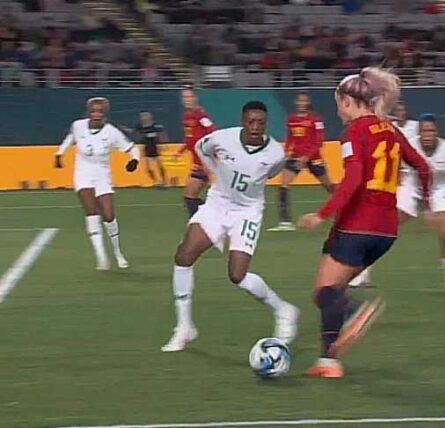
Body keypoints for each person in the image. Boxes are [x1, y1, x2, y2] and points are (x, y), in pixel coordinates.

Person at [298, 68, 431, 378]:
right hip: (386, 231)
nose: (338, 112)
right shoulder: (392, 130)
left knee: (324, 293)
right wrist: (424, 202)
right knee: (333, 293)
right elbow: (423, 167)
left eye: (338, 105)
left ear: (348, 102)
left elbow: (354, 178)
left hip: (357, 225)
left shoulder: (353, 133)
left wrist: (322, 213)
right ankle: (328, 363)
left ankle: (355, 311)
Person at [161, 101, 299, 353]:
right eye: (251, 122)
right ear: (243, 121)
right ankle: (184, 326)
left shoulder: (275, 153)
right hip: (217, 203)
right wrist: (214, 171)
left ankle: (283, 310)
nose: (255, 127)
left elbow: (271, 173)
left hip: (247, 212)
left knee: (237, 275)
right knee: (183, 256)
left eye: (260, 123)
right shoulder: (222, 138)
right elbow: (201, 148)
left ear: (266, 124)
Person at [352, 113, 445, 290]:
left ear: (437, 131)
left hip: (438, 190)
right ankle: (363, 272)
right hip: (411, 187)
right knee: (385, 228)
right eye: (424, 131)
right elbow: (393, 162)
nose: (428, 135)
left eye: (431, 131)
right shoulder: (409, 145)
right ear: (419, 132)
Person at [55, 97, 140, 270]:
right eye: (93, 111)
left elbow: (133, 148)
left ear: (105, 113)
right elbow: (70, 138)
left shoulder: (112, 133)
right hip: (83, 174)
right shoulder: (78, 125)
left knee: (108, 215)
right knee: (91, 212)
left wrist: (134, 160)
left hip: (102, 175)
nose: (96, 114)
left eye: (100, 111)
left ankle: (117, 252)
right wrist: (59, 153)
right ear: (88, 112)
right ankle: (101, 257)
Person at [349, 102, 418, 287]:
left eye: (402, 110)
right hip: (404, 186)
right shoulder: (389, 129)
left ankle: (362, 270)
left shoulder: (416, 128)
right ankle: (363, 272)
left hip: (413, 185)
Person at [268, 90, 334, 232]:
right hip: (296, 157)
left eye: (304, 101)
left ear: (308, 103)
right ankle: (285, 222)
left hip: (313, 158)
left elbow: (319, 141)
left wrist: (306, 157)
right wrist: (286, 152)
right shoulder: (291, 119)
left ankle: (342, 210)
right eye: (299, 101)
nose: (301, 103)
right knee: (283, 185)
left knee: (329, 186)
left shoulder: (315, 120)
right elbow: (290, 138)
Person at [176, 87, 217, 217]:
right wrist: (180, 151)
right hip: (198, 163)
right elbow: (190, 138)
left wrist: (208, 158)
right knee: (190, 198)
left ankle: (205, 220)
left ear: (195, 98)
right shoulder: (186, 116)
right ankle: (209, 218)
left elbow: (212, 131)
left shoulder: (200, 115)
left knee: (190, 198)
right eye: (184, 97)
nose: (186, 100)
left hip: (205, 163)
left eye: (189, 97)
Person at [122, 111, 169, 188]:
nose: (143, 118)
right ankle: (156, 182)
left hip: (155, 148)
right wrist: (125, 129)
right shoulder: (140, 126)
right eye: (142, 116)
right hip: (147, 148)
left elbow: (162, 134)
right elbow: (133, 131)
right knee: (148, 168)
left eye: (145, 116)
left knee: (160, 166)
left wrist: (164, 144)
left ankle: (164, 182)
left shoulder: (156, 126)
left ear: (150, 117)